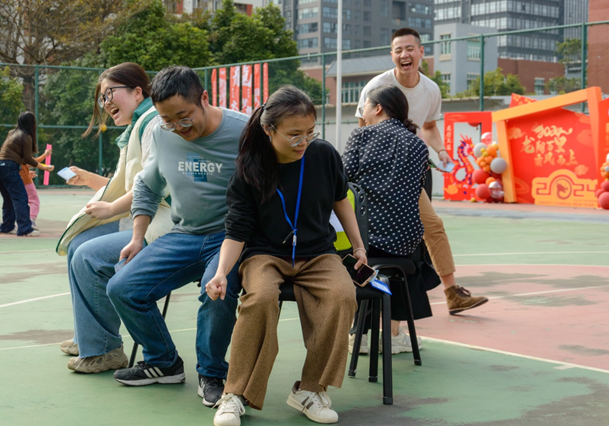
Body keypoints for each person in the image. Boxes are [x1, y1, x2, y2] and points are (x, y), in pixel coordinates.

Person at [207, 85, 362, 426]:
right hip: (265, 254)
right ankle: (235, 394)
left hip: (318, 253)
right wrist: (220, 272)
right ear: (269, 129)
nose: (303, 141)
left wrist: (358, 246)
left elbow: (341, 200)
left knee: (342, 295)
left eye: (310, 132)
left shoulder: (323, 155)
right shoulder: (249, 168)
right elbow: (237, 231)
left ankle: (310, 389)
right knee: (260, 298)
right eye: (294, 134)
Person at [104, 66, 248, 408]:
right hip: (184, 233)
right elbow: (147, 185)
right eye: (167, 120)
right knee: (121, 287)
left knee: (216, 290)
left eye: (184, 117)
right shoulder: (162, 132)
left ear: (204, 98)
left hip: (231, 236)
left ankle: (212, 373)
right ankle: (164, 361)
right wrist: (137, 237)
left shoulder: (244, 131)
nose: (178, 127)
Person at [355, 28, 488, 322]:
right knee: (375, 235)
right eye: (398, 50)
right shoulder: (376, 86)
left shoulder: (430, 90)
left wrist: (441, 151)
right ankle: (371, 305)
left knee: (433, 226)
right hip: (377, 178)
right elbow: (363, 129)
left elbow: (428, 127)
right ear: (392, 55)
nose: (404, 55)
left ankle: (452, 293)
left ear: (420, 52)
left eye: (409, 49)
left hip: (409, 173)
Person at [55, 62, 172, 374]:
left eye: (110, 94)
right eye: (102, 98)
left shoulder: (153, 124)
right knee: (79, 243)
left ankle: (105, 349)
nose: (106, 103)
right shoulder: (137, 126)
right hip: (143, 218)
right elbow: (129, 183)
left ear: (137, 92)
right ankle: (90, 336)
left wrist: (109, 209)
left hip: (162, 224)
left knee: (87, 255)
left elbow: (152, 187)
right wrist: (89, 179)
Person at [344, 85, 432, 354]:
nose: (363, 112)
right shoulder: (418, 145)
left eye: (365, 106)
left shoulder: (361, 135)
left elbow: (342, 183)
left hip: (365, 240)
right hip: (405, 243)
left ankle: (358, 333)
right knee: (414, 261)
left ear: (378, 108)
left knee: (351, 256)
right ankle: (393, 334)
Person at [0, 112, 53, 237]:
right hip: (9, 167)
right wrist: (44, 167)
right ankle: (25, 229)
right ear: (31, 123)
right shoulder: (26, 136)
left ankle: (7, 227)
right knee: (21, 198)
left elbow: (22, 159)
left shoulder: (12, 133)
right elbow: (27, 159)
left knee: (9, 199)